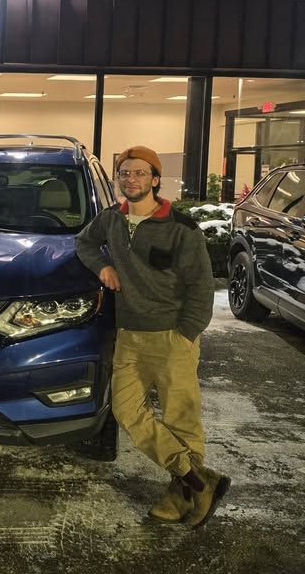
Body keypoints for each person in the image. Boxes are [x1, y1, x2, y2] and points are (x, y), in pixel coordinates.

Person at [75, 146, 228, 528]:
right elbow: (84, 242)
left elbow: (201, 286)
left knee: (181, 419)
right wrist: (103, 266)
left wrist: (188, 332)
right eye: (125, 174)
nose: (132, 180)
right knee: (127, 411)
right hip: (130, 335)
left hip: (172, 336)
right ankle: (197, 480)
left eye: (141, 173)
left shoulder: (181, 228)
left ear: (155, 179)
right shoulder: (111, 218)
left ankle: (181, 497)